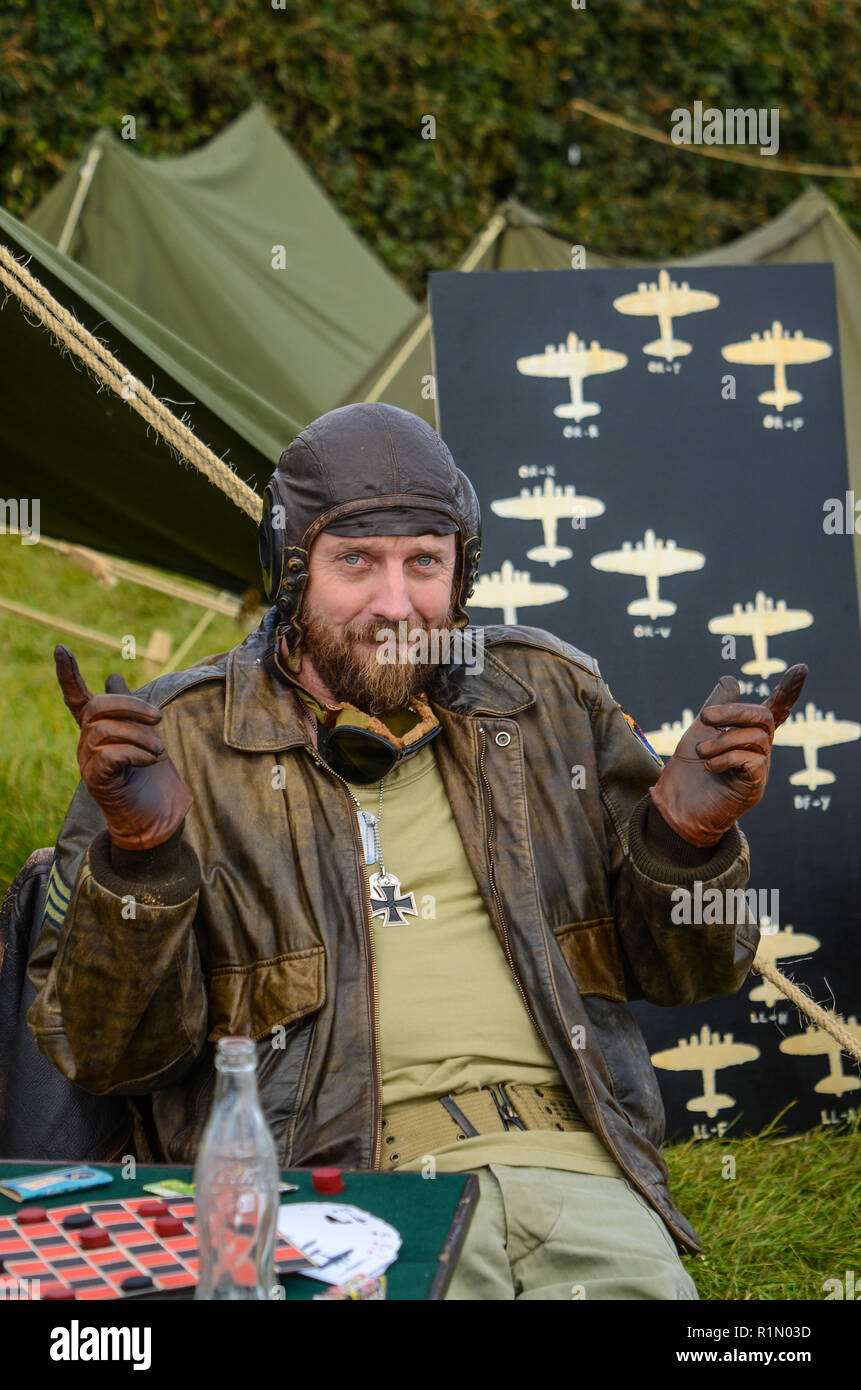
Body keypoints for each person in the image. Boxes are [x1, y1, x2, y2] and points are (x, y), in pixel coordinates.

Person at [28, 402, 806, 1300]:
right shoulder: (175, 740)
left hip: (580, 1173)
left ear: (461, 571)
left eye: (424, 563)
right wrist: (142, 860)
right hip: (343, 1187)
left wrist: (685, 842)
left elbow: (686, 975)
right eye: (355, 561)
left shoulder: (549, 697)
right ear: (289, 575)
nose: (396, 605)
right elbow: (108, 1057)